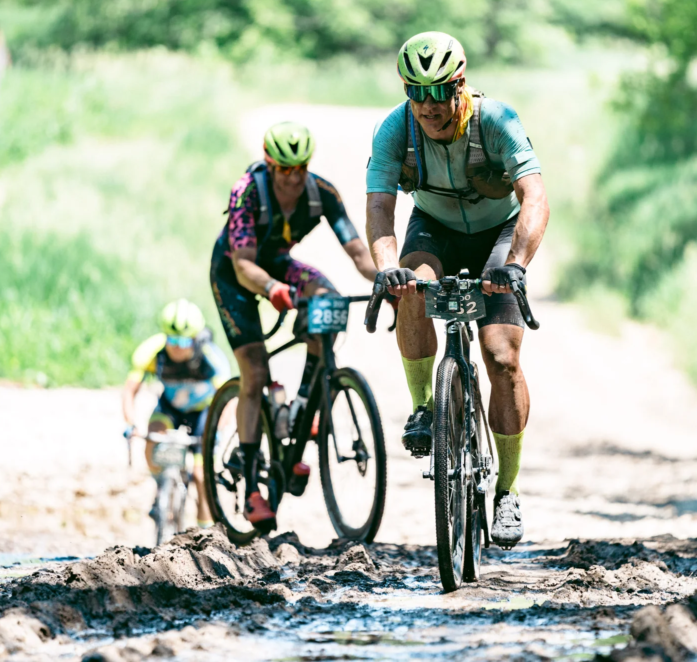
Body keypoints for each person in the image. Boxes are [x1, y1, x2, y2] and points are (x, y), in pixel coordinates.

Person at [365, 32, 550, 549]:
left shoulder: (496, 121)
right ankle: (425, 406)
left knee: (502, 357)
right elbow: (380, 206)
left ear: (460, 85)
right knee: (412, 288)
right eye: (416, 92)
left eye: (439, 91)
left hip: (498, 234)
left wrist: (515, 264)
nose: (428, 106)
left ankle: (507, 491)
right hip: (435, 229)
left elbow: (534, 197)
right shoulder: (394, 129)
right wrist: (385, 266)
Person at [210, 121, 378, 532]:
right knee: (255, 371)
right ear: (269, 165)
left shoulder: (323, 193)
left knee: (328, 302)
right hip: (236, 273)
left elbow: (357, 251)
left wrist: (386, 280)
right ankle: (252, 489)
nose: (293, 176)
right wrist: (271, 288)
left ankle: (306, 405)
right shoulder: (248, 191)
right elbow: (243, 262)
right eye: (285, 169)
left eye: (300, 167)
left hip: (279, 266)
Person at [122, 298, 230, 528]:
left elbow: (230, 400)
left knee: (202, 477)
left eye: (184, 340)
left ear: (196, 338)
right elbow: (130, 391)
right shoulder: (153, 352)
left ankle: (206, 531)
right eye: (172, 340)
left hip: (203, 414)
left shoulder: (211, 357)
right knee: (152, 437)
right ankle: (161, 488)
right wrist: (132, 424)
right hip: (170, 410)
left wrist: (217, 431)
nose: (177, 346)